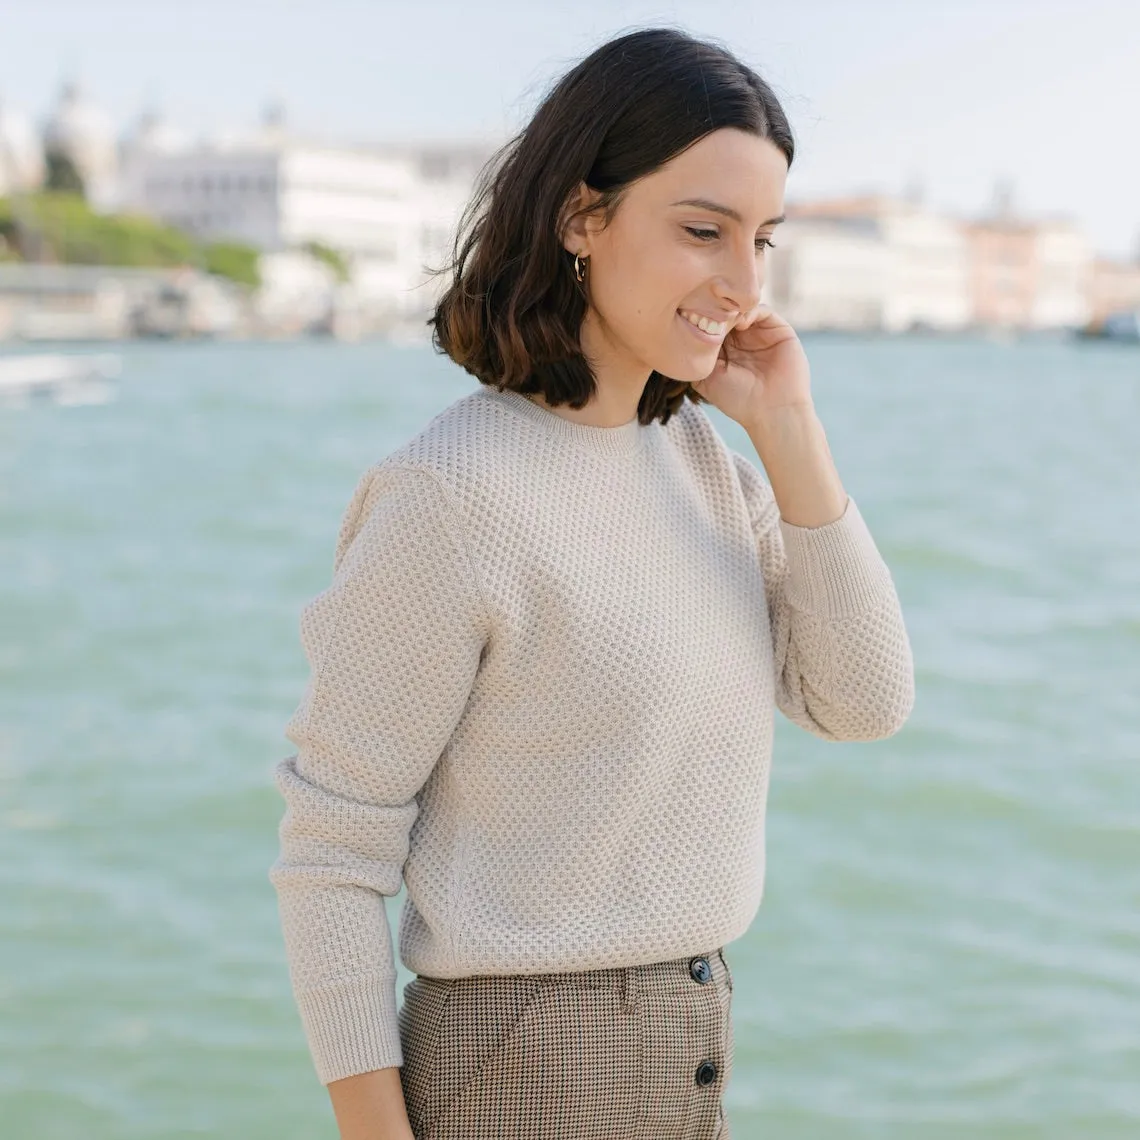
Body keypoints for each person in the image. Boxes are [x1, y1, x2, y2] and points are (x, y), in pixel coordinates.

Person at [268, 25, 915, 1140]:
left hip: (692, 1040)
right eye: (703, 230)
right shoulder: (449, 496)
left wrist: (790, 432)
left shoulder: (706, 464)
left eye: (763, 240)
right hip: (517, 1073)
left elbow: (862, 704)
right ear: (583, 217)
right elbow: (329, 856)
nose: (742, 282)